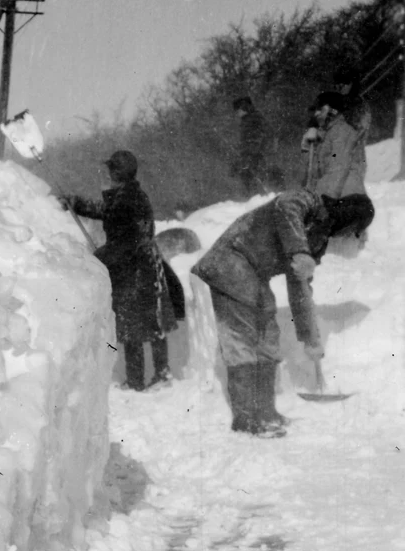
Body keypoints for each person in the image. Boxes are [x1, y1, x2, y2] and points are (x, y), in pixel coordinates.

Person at [190, 189, 369, 437]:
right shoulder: (309, 202)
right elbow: (285, 205)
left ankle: (265, 412)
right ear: (350, 227)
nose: (360, 241)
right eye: (359, 234)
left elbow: (300, 290)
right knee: (243, 340)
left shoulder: (317, 240)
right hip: (228, 263)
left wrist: (310, 338)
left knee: (269, 337)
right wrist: (299, 251)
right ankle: (246, 418)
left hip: (252, 274)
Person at [61, 149, 183, 391]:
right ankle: (153, 376)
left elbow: (126, 240)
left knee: (137, 324)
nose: (107, 174)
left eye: (110, 170)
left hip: (137, 269)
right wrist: (77, 204)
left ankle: (149, 378)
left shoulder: (127, 199)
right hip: (140, 266)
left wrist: (99, 258)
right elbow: (106, 212)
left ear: (117, 173)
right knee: (146, 323)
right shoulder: (128, 195)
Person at [301, 90, 375, 240]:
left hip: (350, 203)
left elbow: (339, 167)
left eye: (320, 109)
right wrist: (307, 144)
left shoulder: (342, 131)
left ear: (333, 110)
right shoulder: (326, 137)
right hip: (339, 203)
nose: (316, 114)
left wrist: (323, 202)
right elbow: (311, 174)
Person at [230, 96, 269, 196]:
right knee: (247, 177)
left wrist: (249, 154)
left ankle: (257, 197)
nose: (237, 114)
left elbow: (257, 138)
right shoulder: (247, 119)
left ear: (243, 108)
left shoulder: (254, 118)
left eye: (238, 110)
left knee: (252, 178)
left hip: (254, 155)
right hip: (250, 154)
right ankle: (252, 197)